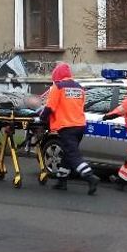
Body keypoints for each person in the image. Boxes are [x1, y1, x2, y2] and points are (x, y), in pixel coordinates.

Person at [40, 63, 101, 195]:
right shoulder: (80, 88)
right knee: (68, 154)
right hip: (80, 125)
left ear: (57, 75)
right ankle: (62, 181)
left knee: (73, 155)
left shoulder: (58, 87)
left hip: (66, 126)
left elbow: (50, 107)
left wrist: (42, 118)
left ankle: (90, 177)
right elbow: (80, 105)